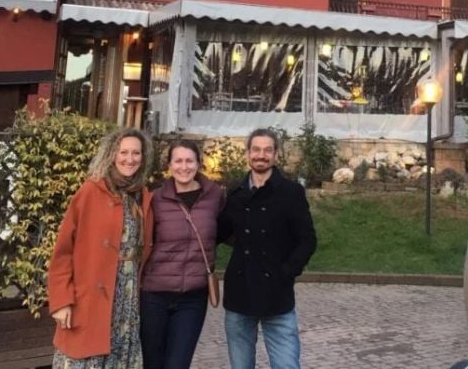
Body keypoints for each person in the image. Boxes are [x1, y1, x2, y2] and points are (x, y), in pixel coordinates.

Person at [47, 128, 155, 368]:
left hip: (127, 297)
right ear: (111, 154)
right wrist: (62, 301)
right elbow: (63, 250)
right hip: (90, 295)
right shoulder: (90, 191)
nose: (130, 159)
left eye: (136, 153)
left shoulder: (142, 195)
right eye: (123, 152)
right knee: (85, 358)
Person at [217, 128, 317, 369]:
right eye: (256, 150)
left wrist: (286, 273)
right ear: (248, 154)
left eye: (267, 150)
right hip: (240, 293)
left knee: (287, 365)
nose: (261, 155)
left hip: (277, 295)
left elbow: (307, 240)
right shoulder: (235, 193)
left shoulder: (291, 193)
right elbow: (218, 233)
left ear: (276, 155)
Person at [140, 139, 225, 369]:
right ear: (169, 165)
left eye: (189, 161)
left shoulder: (215, 196)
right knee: (153, 364)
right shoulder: (154, 198)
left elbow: (228, 230)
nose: (184, 167)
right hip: (154, 296)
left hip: (192, 298)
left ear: (199, 164)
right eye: (178, 161)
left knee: (178, 364)